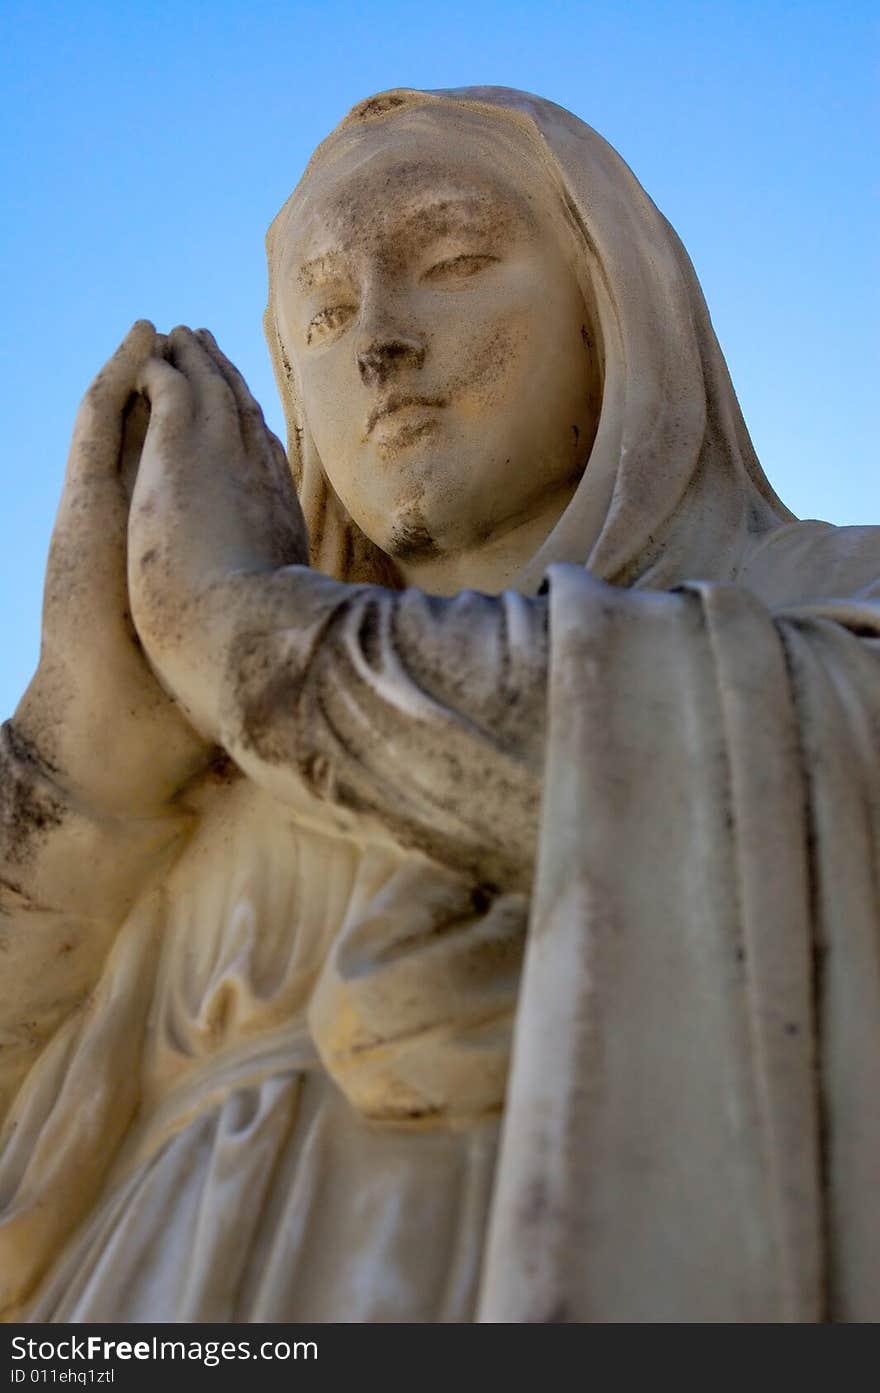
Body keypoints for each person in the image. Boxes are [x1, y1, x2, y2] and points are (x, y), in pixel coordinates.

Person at [1, 87, 878, 1323]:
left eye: (452, 261)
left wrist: (253, 642)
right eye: (321, 309)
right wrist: (70, 767)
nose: (376, 343)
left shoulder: (828, 598)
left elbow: (816, 772)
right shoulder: (188, 780)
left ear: (612, 302)